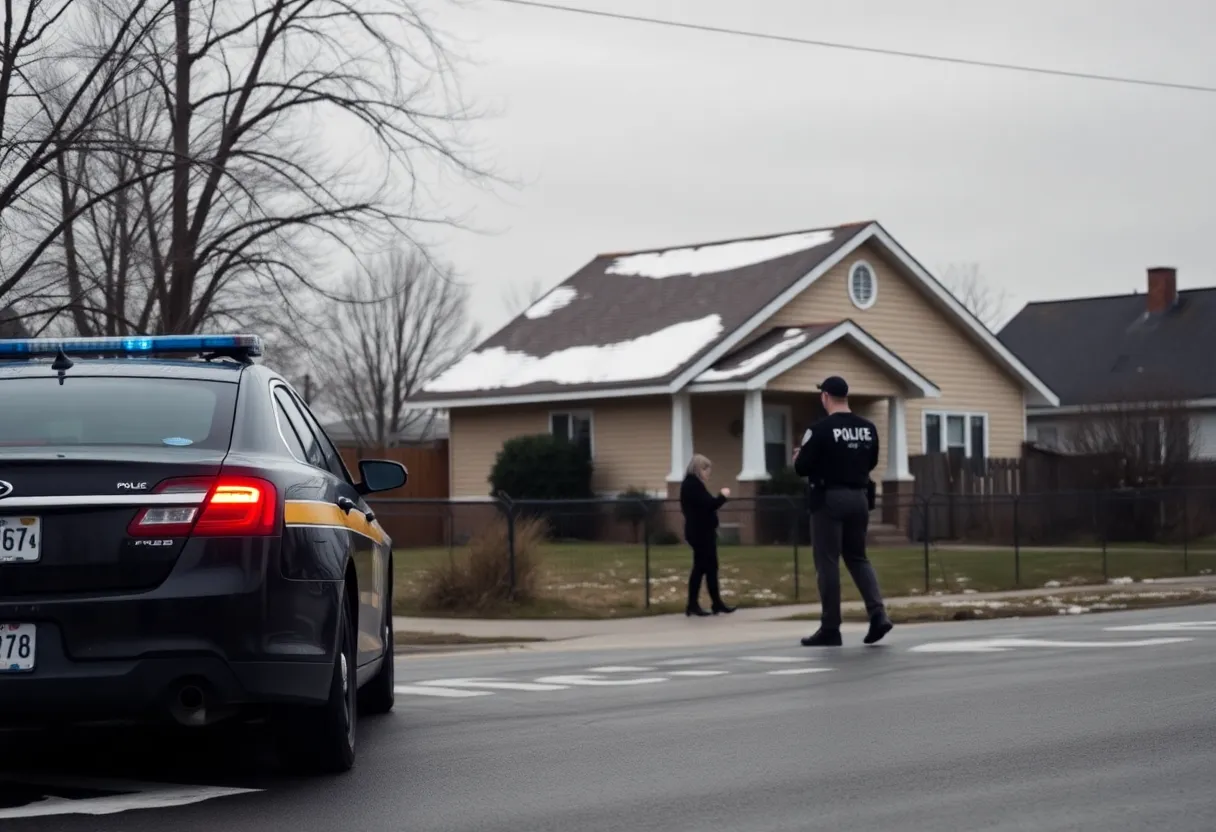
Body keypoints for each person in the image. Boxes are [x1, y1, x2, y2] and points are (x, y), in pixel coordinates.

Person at [792, 375, 893, 646]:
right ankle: (878, 614)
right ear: (845, 397)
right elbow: (871, 462)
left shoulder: (819, 429)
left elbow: (802, 467)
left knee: (827, 562)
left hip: (829, 499)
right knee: (858, 557)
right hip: (859, 498)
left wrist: (798, 457)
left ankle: (831, 627)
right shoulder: (868, 428)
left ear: (825, 396)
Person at [679, 454, 735, 617]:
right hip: (699, 533)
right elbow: (709, 505)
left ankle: (716, 603)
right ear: (699, 469)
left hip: (704, 532)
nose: (708, 474)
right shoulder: (692, 486)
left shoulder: (695, 485)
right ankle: (693, 604)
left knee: (710, 568)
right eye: (706, 470)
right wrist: (722, 496)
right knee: (701, 568)